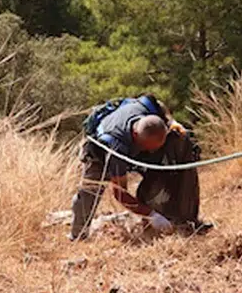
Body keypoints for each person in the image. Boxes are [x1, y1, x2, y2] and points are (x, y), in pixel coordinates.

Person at [70, 94, 210, 241]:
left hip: (134, 146)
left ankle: (185, 220)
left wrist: (172, 121)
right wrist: (152, 215)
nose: (152, 152)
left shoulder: (147, 108)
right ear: (136, 136)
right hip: (99, 154)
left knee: (180, 140)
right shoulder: (116, 148)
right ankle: (78, 236)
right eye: (148, 148)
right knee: (89, 192)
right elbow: (120, 194)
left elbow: (159, 104)